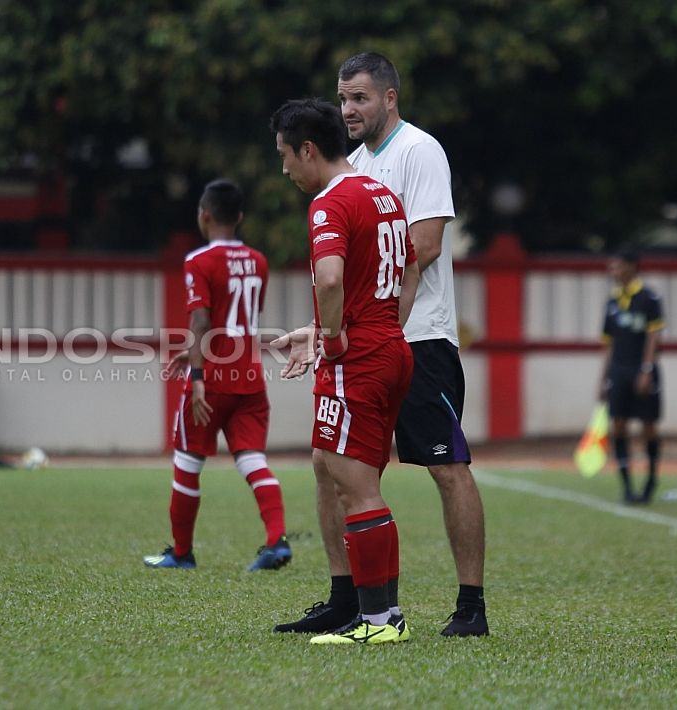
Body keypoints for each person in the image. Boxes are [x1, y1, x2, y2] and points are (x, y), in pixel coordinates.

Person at [278, 52, 489, 638]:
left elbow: (419, 250)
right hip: (379, 335)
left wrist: (353, 328)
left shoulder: (419, 151)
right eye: (342, 99)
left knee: (446, 468)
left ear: (390, 98)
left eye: (360, 98)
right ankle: (348, 600)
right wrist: (326, 329)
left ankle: (469, 604)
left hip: (416, 337)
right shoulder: (355, 165)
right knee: (331, 466)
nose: (348, 109)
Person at [268, 98, 419, 644]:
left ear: (308, 150)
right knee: (331, 468)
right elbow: (410, 270)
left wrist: (331, 339)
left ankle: (381, 620)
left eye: (285, 156)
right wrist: (369, 327)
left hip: (358, 361)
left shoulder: (329, 204)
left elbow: (330, 280)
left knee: (357, 487)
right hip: (389, 349)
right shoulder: (383, 195)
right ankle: (358, 606)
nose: (284, 169)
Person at [143, 179, 291, 572]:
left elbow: (203, 317)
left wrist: (196, 375)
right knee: (252, 459)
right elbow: (237, 319)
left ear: (203, 215)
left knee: (187, 463)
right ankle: (276, 540)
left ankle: (181, 552)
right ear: (239, 217)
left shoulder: (198, 261)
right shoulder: (259, 261)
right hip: (251, 377)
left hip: (213, 380)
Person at [599, 249, 664, 504]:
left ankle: (650, 479)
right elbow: (609, 344)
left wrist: (646, 369)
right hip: (618, 371)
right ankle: (626, 485)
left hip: (642, 370)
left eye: (616, 267)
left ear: (631, 267)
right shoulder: (612, 301)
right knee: (618, 425)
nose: (612, 272)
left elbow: (653, 335)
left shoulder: (649, 298)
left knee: (648, 426)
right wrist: (604, 378)